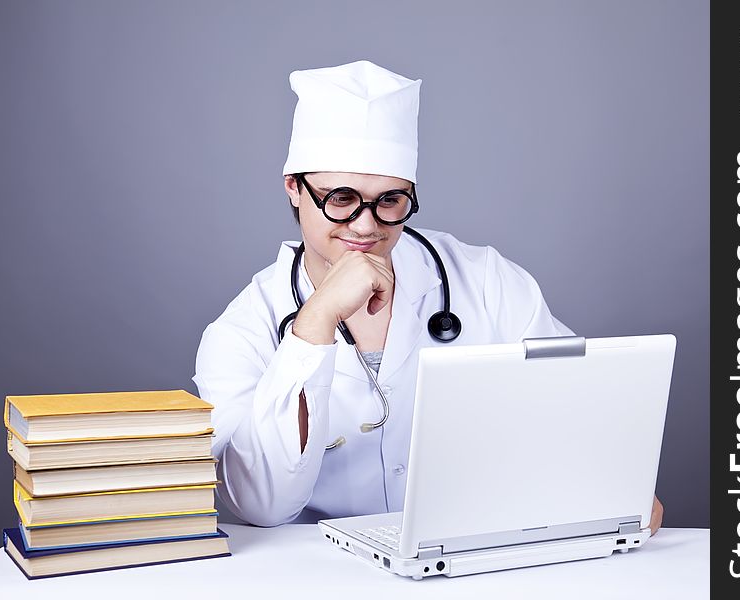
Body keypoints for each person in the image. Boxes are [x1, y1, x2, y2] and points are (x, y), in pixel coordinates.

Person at [192, 60, 664, 532]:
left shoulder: (486, 281)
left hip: (476, 554)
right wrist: (314, 322)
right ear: (295, 188)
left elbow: (578, 403)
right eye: (340, 198)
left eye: (390, 201)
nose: (366, 225)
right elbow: (260, 506)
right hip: (322, 571)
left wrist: (620, 480)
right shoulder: (242, 331)